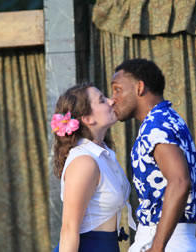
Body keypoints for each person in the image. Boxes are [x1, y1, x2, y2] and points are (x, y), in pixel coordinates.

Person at [111, 59, 196, 252]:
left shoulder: (156, 125)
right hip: (171, 239)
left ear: (140, 87)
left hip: (167, 242)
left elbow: (179, 181)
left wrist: (158, 246)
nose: (113, 99)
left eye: (117, 89)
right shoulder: (167, 118)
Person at [52, 83, 136, 252]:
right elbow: (69, 229)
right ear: (87, 119)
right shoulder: (84, 161)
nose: (111, 102)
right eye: (101, 100)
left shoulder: (103, 154)